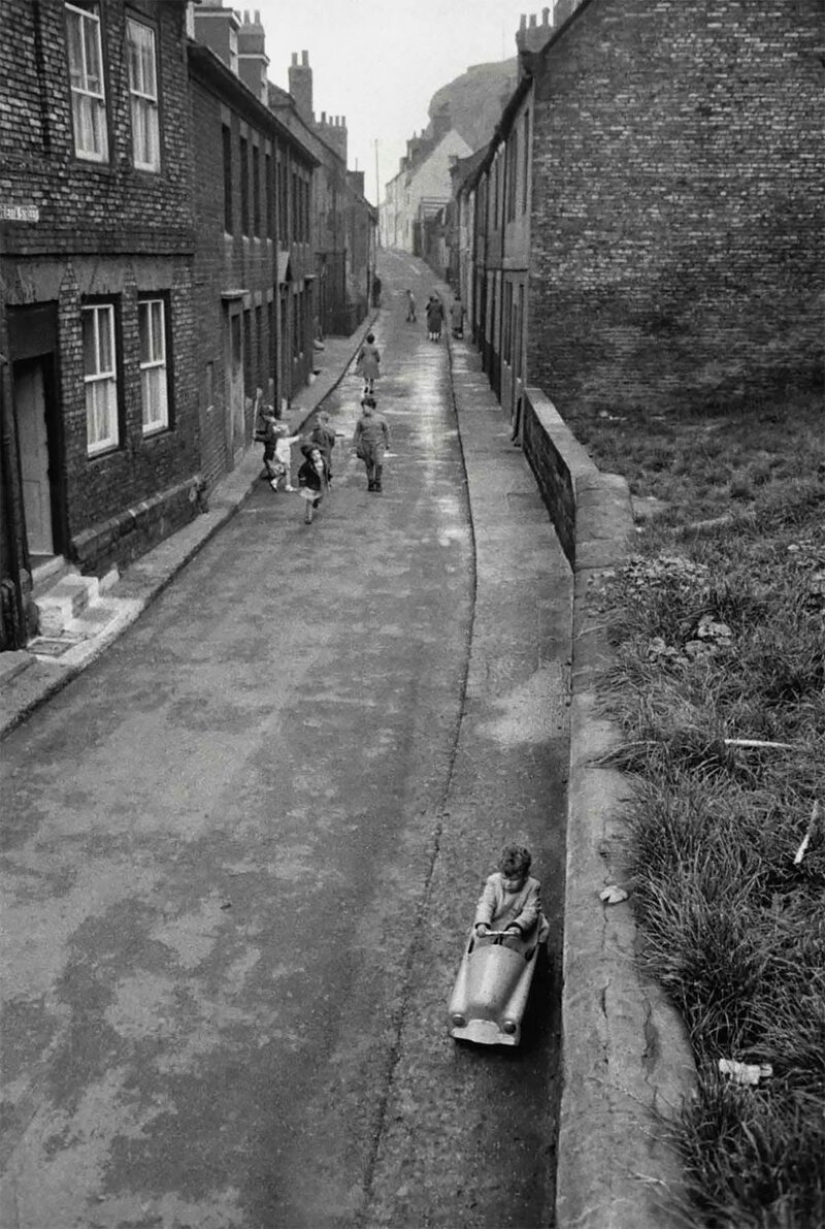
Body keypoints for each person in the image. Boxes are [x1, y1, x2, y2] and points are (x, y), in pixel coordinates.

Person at [473, 844, 548, 954]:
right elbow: (486, 904)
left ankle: (540, 955)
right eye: (504, 878)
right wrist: (482, 923)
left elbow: (530, 911)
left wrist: (518, 926)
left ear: (525, 875)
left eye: (514, 880)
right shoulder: (493, 882)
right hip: (494, 926)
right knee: (479, 945)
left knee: (520, 947)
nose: (508, 884)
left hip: (519, 929)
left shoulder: (532, 886)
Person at [352, 394, 391, 493]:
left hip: (378, 445)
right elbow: (357, 432)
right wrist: (356, 445)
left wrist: (388, 442)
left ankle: (378, 481)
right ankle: (371, 482)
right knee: (369, 465)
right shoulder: (361, 421)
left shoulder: (381, 419)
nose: (363, 410)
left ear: (371, 407)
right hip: (366, 445)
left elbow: (387, 430)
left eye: (364, 407)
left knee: (379, 463)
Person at [254, 390, 283, 488]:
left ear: (266, 416)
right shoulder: (271, 423)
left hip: (271, 446)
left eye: (263, 416)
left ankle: (273, 474)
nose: (263, 418)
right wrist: (258, 432)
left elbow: (267, 437)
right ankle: (272, 473)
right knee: (267, 459)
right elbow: (266, 433)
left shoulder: (271, 424)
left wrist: (256, 437)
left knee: (267, 459)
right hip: (272, 445)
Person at [297, 444, 330, 524]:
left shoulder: (324, 461)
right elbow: (301, 473)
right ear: (310, 457)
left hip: (322, 482)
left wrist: (328, 481)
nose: (317, 456)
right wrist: (303, 484)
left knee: (320, 496)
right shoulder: (307, 465)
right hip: (311, 484)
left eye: (318, 454)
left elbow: (327, 472)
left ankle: (316, 502)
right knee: (310, 500)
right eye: (313, 455)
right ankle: (308, 518)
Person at [308, 410, 337, 486]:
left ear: (323, 421)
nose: (316, 422)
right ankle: (327, 480)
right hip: (327, 451)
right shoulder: (330, 431)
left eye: (318, 420)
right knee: (327, 465)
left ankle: (320, 481)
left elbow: (316, 443)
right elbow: (332, 442)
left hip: (320, 452)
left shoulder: (319, 432)